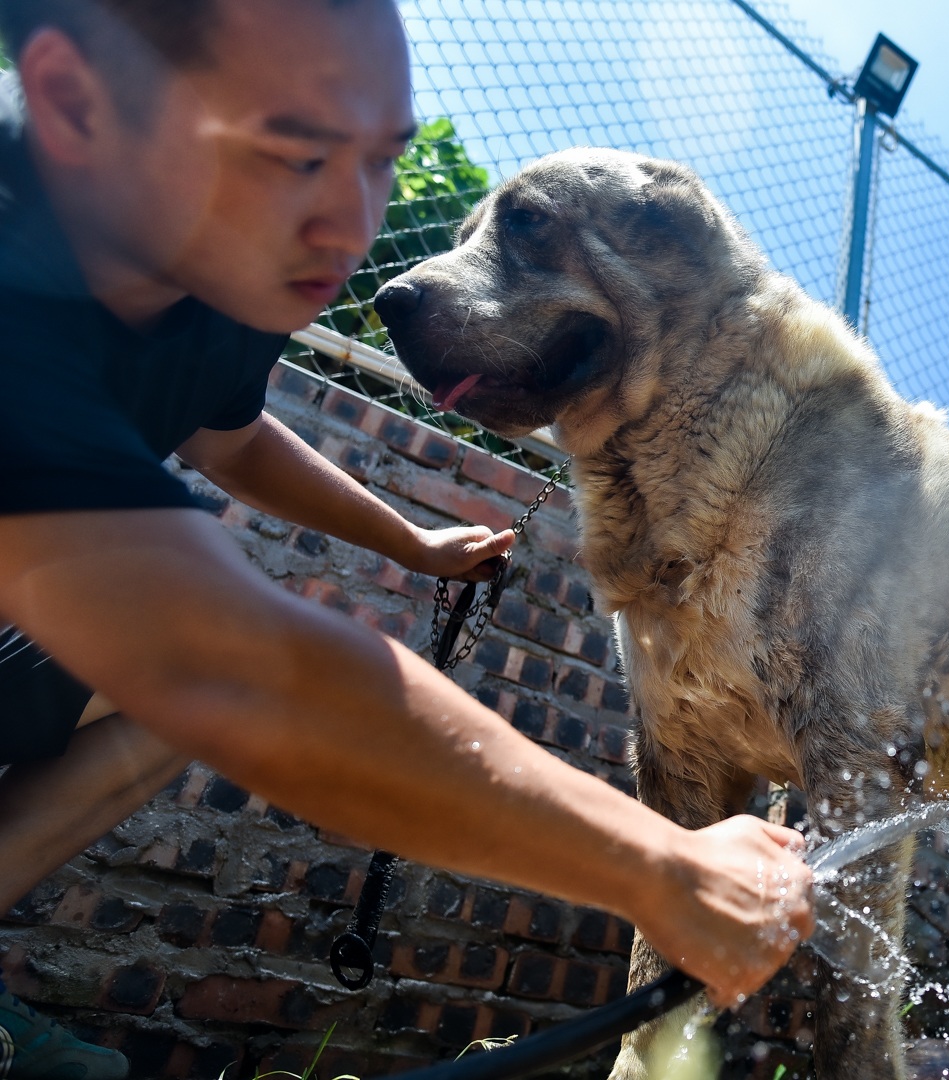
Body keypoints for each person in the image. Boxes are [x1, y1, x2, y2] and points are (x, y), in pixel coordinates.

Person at [0, 1, 814, 1076]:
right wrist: (667, 866)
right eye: (299, 152)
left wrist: (414, 545)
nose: (354, 222)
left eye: (380, 159)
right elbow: (232, 663)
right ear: (73, 103)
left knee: (149, 675)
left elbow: (228, 437)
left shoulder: (203, 293)